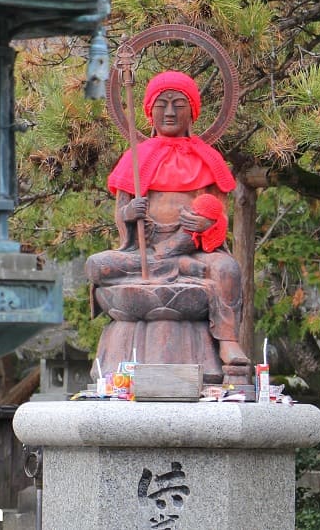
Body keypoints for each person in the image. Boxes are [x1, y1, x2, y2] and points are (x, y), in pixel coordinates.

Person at [86, 70, 249, 366]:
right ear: (150, 113)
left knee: (228, 269)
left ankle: (228, 342)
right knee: (97, 265)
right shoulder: (136, 158)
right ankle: (169, 263)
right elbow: (121, 215)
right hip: (145, 252)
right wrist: (128, 214)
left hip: (193, 252)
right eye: (162, 105)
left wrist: (206, 226)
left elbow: (219, 215)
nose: (170, 112)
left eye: (179, 105)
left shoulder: (208, 158)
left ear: (193, 112)